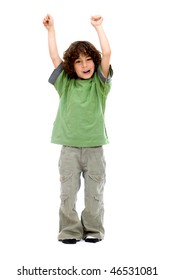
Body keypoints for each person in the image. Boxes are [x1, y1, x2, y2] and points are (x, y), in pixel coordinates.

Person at [43, 14, 113, 244]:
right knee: (67, 194)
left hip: (94, 149)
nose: (85, 65)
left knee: (95, 194)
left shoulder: (99, 84)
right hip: (69, 149)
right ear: (71, 66)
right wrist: (51, 30)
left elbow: (108, 54)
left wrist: (99, 27)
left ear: (94, 60)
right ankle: (70, 231)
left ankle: (93, 229)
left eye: (88, 60)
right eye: (78, 61)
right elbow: (54, 56)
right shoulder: (66, 83)